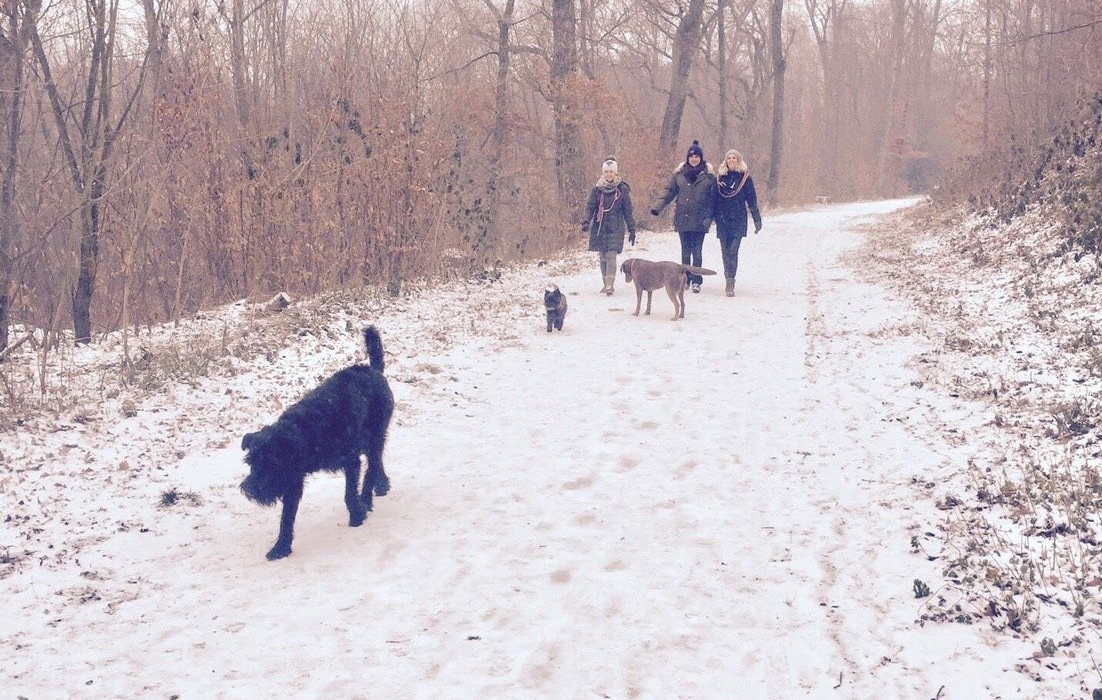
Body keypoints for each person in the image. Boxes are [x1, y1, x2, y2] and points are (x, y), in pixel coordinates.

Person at [649, 140, 716, 293]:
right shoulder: (679, 176)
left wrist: (710, 218)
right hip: (683, 219)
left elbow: (713, 200)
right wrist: (657, 208)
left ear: (701, 158)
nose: (694, 159)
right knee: (685, 252)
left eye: (697, 156)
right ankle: (685, 279)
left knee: (697, 252)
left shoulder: (709, 177)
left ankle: (696, 280)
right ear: (687, 158)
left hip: (700, 220)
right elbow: (668, 193)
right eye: (691, 156)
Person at [582, 156, 637, 295]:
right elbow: (590, 207)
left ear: (615, 173)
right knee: (602, 257)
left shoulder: (622, 190)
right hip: (599, 227)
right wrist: (586, 221)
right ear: (603, 173)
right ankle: (605, 283)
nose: (609, 174)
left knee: (611, 256)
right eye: (606, 172)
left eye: (611, 172)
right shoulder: (597, 190)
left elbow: (628, 211)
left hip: (615, 228)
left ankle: (610, 285)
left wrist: (632, 229)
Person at [713, 149, 763, 297]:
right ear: (726, 161)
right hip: (722, 220)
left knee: (733, 251)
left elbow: (752, 201)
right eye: (729, 158)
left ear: (739, 161)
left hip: (739, 220)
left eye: (734, 158)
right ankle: (727, 275)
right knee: (725, 251)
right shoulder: (719, 178)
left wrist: (757, 219)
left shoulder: (745, 179)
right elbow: (713, 201)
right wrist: (709, 217)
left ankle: (730, 281)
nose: (732, 160)